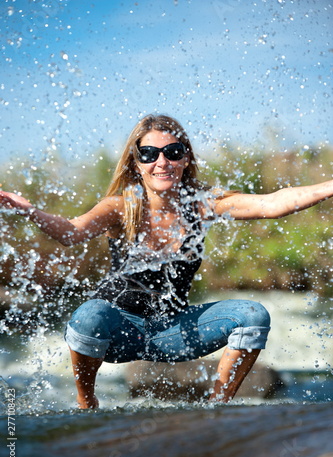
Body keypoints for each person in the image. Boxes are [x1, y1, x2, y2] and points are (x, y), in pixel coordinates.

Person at [1, 114, 332, 409]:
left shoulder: (202, 205)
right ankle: (86, 403)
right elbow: (71, 232)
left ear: (186, 159)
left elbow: (273, 203)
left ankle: (216, 408)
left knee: (252, 315)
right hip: (120, 331)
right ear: (136, 163)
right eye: (149, 154)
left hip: (175, 330)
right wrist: (29, 211)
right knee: (89, 315)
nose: (162, 162)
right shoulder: (120, 207)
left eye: (173, 152)